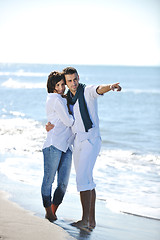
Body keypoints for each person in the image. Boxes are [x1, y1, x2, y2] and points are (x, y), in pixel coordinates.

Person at [46, 67, 121, 229]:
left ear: (78, 77)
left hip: (90, 140)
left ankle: (85, 220)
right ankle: (91, 221)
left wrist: (111, 87)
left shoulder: (86, 91)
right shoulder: (68, 99)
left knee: (82, 180)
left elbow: (99, 89)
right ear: (65, 83)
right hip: (77, 142)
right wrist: (50, 126)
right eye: (69, 81)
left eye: (75, 79)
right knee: (87, 180)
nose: (73, 83)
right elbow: (61, 118)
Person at [41, 71, 74, 222]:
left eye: (62, 84)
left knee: (63, 183)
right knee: (49, 180)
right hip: (53, 145)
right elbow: (68, 122)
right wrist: (76, 118)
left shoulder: (61, 98)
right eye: (58, 85)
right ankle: (48, 211)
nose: (61, 88)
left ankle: (53, 211)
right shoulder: (55, 99)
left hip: (66, 146)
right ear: (52, 86)